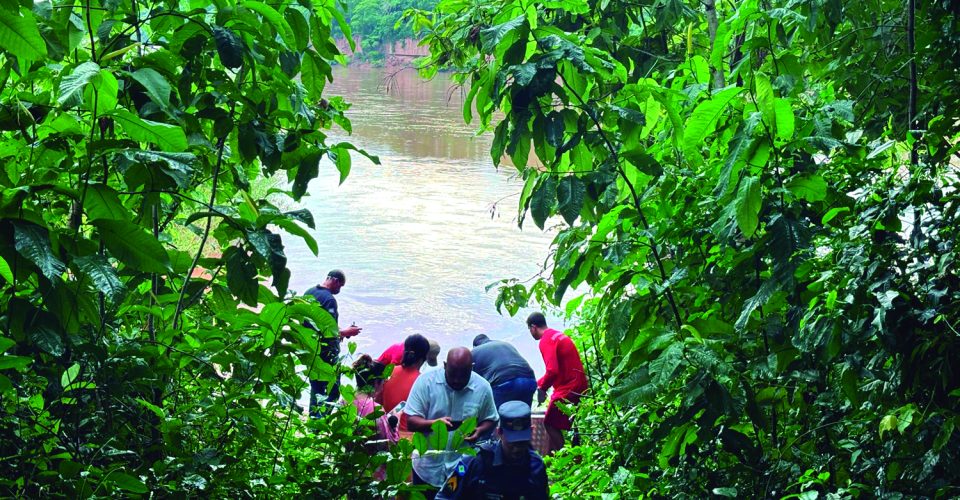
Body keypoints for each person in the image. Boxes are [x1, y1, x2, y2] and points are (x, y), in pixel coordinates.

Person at [404, 347, 499, 495]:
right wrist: (434, 425)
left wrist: (480, 430)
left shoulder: (482, 388)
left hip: (460, 467)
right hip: (426, 467)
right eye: (453, 374)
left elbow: (491, 419)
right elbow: (411, 421)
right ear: (445, 365)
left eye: (463, 376)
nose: (457, 380)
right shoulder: (425, 382)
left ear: (472, 368)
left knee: (455, 496)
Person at [437, 401, 549, 500]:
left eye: (522, 442)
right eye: (512, 442)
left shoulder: (536, 466)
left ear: (532, 431)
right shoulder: (472, 461)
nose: (517, 449)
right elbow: (444, 496)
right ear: (499, 432)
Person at [526, 312, 588, 454]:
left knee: (549, 422)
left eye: (530, 330)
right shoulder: (557, 335)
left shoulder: (545, 340)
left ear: (533, 327)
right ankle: (574, 456)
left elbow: (552, 371)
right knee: (573, 423)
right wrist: (536, 383)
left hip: (569, 387)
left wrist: (542, 389)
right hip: (580, 384)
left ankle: (565, 457)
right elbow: (556, 370)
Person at [305, 269, 362, 416]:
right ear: (335, 281)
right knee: (333, 391)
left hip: (310, 351)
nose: (339, 290)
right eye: (340, 286)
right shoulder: (329, 300)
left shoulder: (309, 292)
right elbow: (329, 332)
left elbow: (316, 324)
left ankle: (313, 420)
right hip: (326, 355)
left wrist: (341, 332)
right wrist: (346, 332)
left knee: (316, 388)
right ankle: (321, 421)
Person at [377, 333, 431, 431]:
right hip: (407, 435)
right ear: (425, 358)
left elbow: (377, 401)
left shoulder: (389, 371)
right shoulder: (423, 382)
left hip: (385, 430)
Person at [471, 334, 537, 408]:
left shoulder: (475, 351)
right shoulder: (506, 344)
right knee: (523, 412)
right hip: (529, 380)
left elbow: (474, 381)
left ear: (475, 346)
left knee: (498, 413)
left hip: (503, 383)